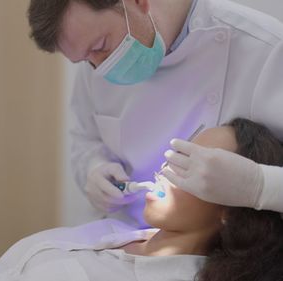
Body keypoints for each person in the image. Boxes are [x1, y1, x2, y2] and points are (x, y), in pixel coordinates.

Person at [0, 118, 283, 281]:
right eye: (177, 153)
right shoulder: (117, 234)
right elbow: (6, 267)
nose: (166, 167)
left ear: (232, 206)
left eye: (191, 166)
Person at [28, 0, 283, 225]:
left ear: (138, 2)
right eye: (85, 59)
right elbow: (85, 139)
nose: (100, 68)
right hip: (124, 239)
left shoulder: (266, 49)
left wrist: (259, 185)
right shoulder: (96, 61)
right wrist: (94, 168)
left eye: (101, 46)